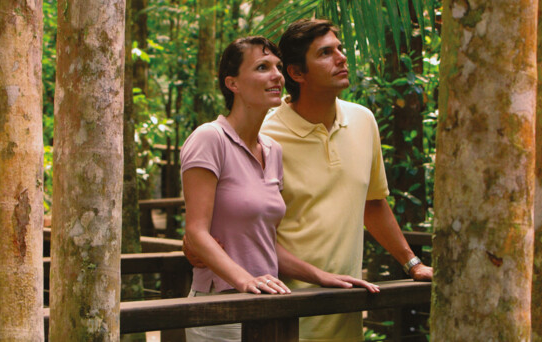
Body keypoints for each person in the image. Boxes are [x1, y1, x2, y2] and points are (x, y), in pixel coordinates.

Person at [186, 20, 434, 342]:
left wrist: (411, 263)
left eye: (340, 49)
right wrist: (198, 246)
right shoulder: (241, 133)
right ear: (298, 73)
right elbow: (204, 223)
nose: (342, 58)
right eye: (326, 53)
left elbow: (372, 204)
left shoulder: (356, 123)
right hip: (272, 306)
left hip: (335, 306)